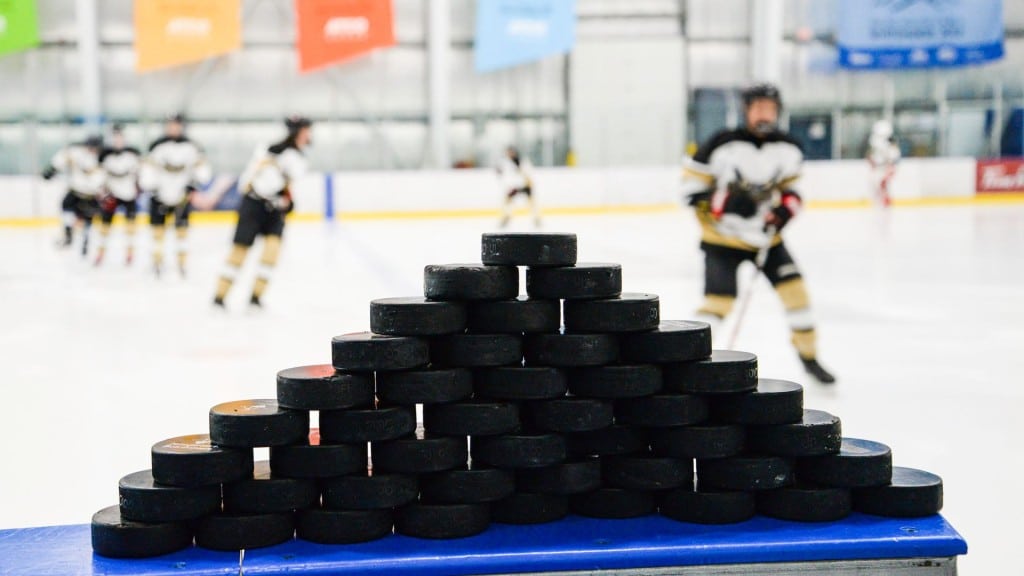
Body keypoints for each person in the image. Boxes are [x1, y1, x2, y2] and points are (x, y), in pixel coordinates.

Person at [682, 83, 836, 384]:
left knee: (797, 295)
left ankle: (809, 357)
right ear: (747, 110)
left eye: (770, 108)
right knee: (717, 304)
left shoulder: (789, 148)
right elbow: (689, 191)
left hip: (767, 239)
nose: (764, 114)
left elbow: (792, 191)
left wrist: (784, 212)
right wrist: (724, 203)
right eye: (758, 107)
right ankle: (687, 359)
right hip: (722, 240)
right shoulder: (719, 144)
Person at [213, 116, 312, 309]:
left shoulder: (297, 157)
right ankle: (220, 295)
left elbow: (285, 184)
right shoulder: (269, 150)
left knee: (271, 253)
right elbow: (257, 180)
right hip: (254, 205)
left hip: (274, 211)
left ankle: (256, 297)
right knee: (239, 251)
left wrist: (284, 200)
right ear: (298, 132)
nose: (309, 135)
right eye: (306, 130)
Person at [139, 113, 211, 278]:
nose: (173, 128)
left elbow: (203, 173)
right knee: (157, 233)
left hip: (181, 198)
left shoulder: (192, 146)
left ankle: (182, 263)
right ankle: (157, 262)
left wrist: (192, 185)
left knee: (182, 233)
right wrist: (151, 186)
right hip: (159, 197)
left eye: (176, 124)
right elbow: (147, 173)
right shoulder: (156, 146)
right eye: (170, 124)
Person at [43, 135, 105, 257]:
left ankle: (85, 243)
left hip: (91, 195)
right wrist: (52, 169)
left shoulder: (102, 158)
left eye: (95, 148)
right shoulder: (77, 152)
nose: (92, 150)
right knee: (66, 207)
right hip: (76, 192)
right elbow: (63, 157)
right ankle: (68, 234)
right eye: (90, 147)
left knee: (88, 220)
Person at [95, 124, 142, 266]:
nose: (118, 141)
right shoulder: (104, 155)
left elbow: (140, 173)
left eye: (120, 138)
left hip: (129, 194)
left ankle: (130, 253)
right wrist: (102, 191)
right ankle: (100, 253)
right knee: (105, 225)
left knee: (130, 226)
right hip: (112, 195)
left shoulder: (133, 154)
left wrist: (138, 188)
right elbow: (100, 175)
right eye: (115, 138)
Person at [496, 146, 541, 229]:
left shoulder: (523, 161)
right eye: (508, 152)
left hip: (525, 184)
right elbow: (504, 173)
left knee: (532, 203)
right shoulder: (507, 162)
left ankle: (536, 219)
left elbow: (528, 171)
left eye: (510, 152)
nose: (509, 154)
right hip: (515, 186)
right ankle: (506, 217)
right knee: (508, 202)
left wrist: (529, 180)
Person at [866, 120, 900, 207]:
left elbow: (893, 159)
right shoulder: (876, 144)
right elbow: (871, 157)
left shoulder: (891, 147)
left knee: (883, 189)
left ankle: (884, 203)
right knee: (876, 192)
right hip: (879, 169)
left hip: (884, 169)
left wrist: (889, 170)